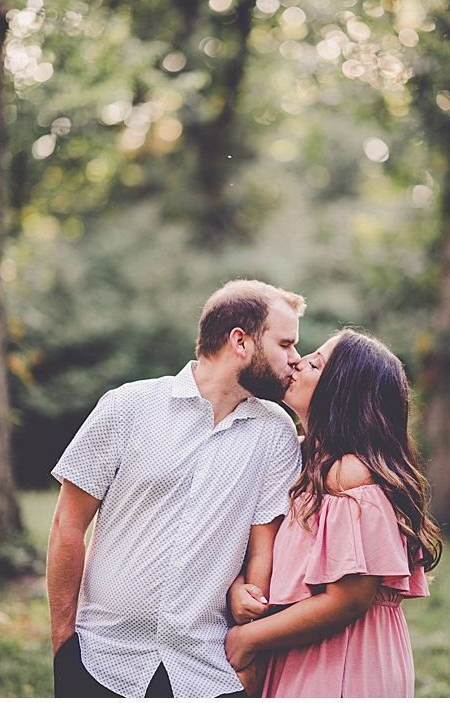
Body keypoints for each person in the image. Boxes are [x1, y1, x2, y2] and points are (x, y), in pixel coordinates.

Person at [47, 280, 306, 698]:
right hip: (101, 660)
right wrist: (63, 646)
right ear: (240, 341)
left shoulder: (276, 432)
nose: (295, 359)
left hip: (208, 671)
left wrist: (249, 647)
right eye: (285, 344)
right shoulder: (126, 406)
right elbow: (67, 524)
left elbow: (264, 550)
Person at [223, 330, 436, 698]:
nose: (297, 362)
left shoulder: (349, 475)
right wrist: (238, 589)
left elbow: (348, 599)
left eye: (316, 363)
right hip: (305, 649)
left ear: (343, 392)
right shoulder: (304, 462)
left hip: (345, 657)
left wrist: (248, 638)